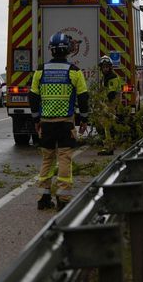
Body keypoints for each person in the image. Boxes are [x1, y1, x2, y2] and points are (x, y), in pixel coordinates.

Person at [30, 32, 90, 211]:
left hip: (46, 123)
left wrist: (36, 119)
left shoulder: (40, 71)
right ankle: (63, 199)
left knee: (47, 159)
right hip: (65, 123)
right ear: (68, 50)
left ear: (51, 50)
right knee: (64, 158)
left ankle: (43, 197)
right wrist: (84, 119)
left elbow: (33, 96)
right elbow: (83, 97)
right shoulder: (74, 71)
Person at [95, 56, 122, 156]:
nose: (105, 69)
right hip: (106, 104)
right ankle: (111, 144)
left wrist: (107, 107)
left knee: (106, 126)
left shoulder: (112, 78)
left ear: (110, 67)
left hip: (111, 104)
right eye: (103, 67)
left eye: (107, 67)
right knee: (105, 125)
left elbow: (111, 94)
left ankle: (108, 148)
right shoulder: (105, 78)